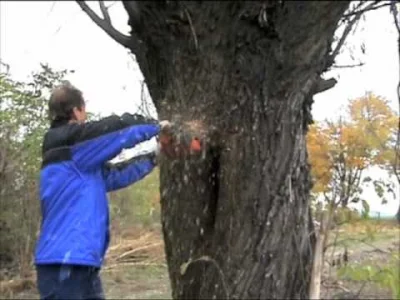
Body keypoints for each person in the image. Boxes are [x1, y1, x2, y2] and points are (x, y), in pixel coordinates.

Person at [35, 81, 164, 299]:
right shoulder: (70, 144)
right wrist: (159, 126)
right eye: (84, 111)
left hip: (80, 265)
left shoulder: (78, 163)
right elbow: (117, 130)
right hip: (65, 264)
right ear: (76, 111)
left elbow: (117, 175)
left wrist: (155, 157)